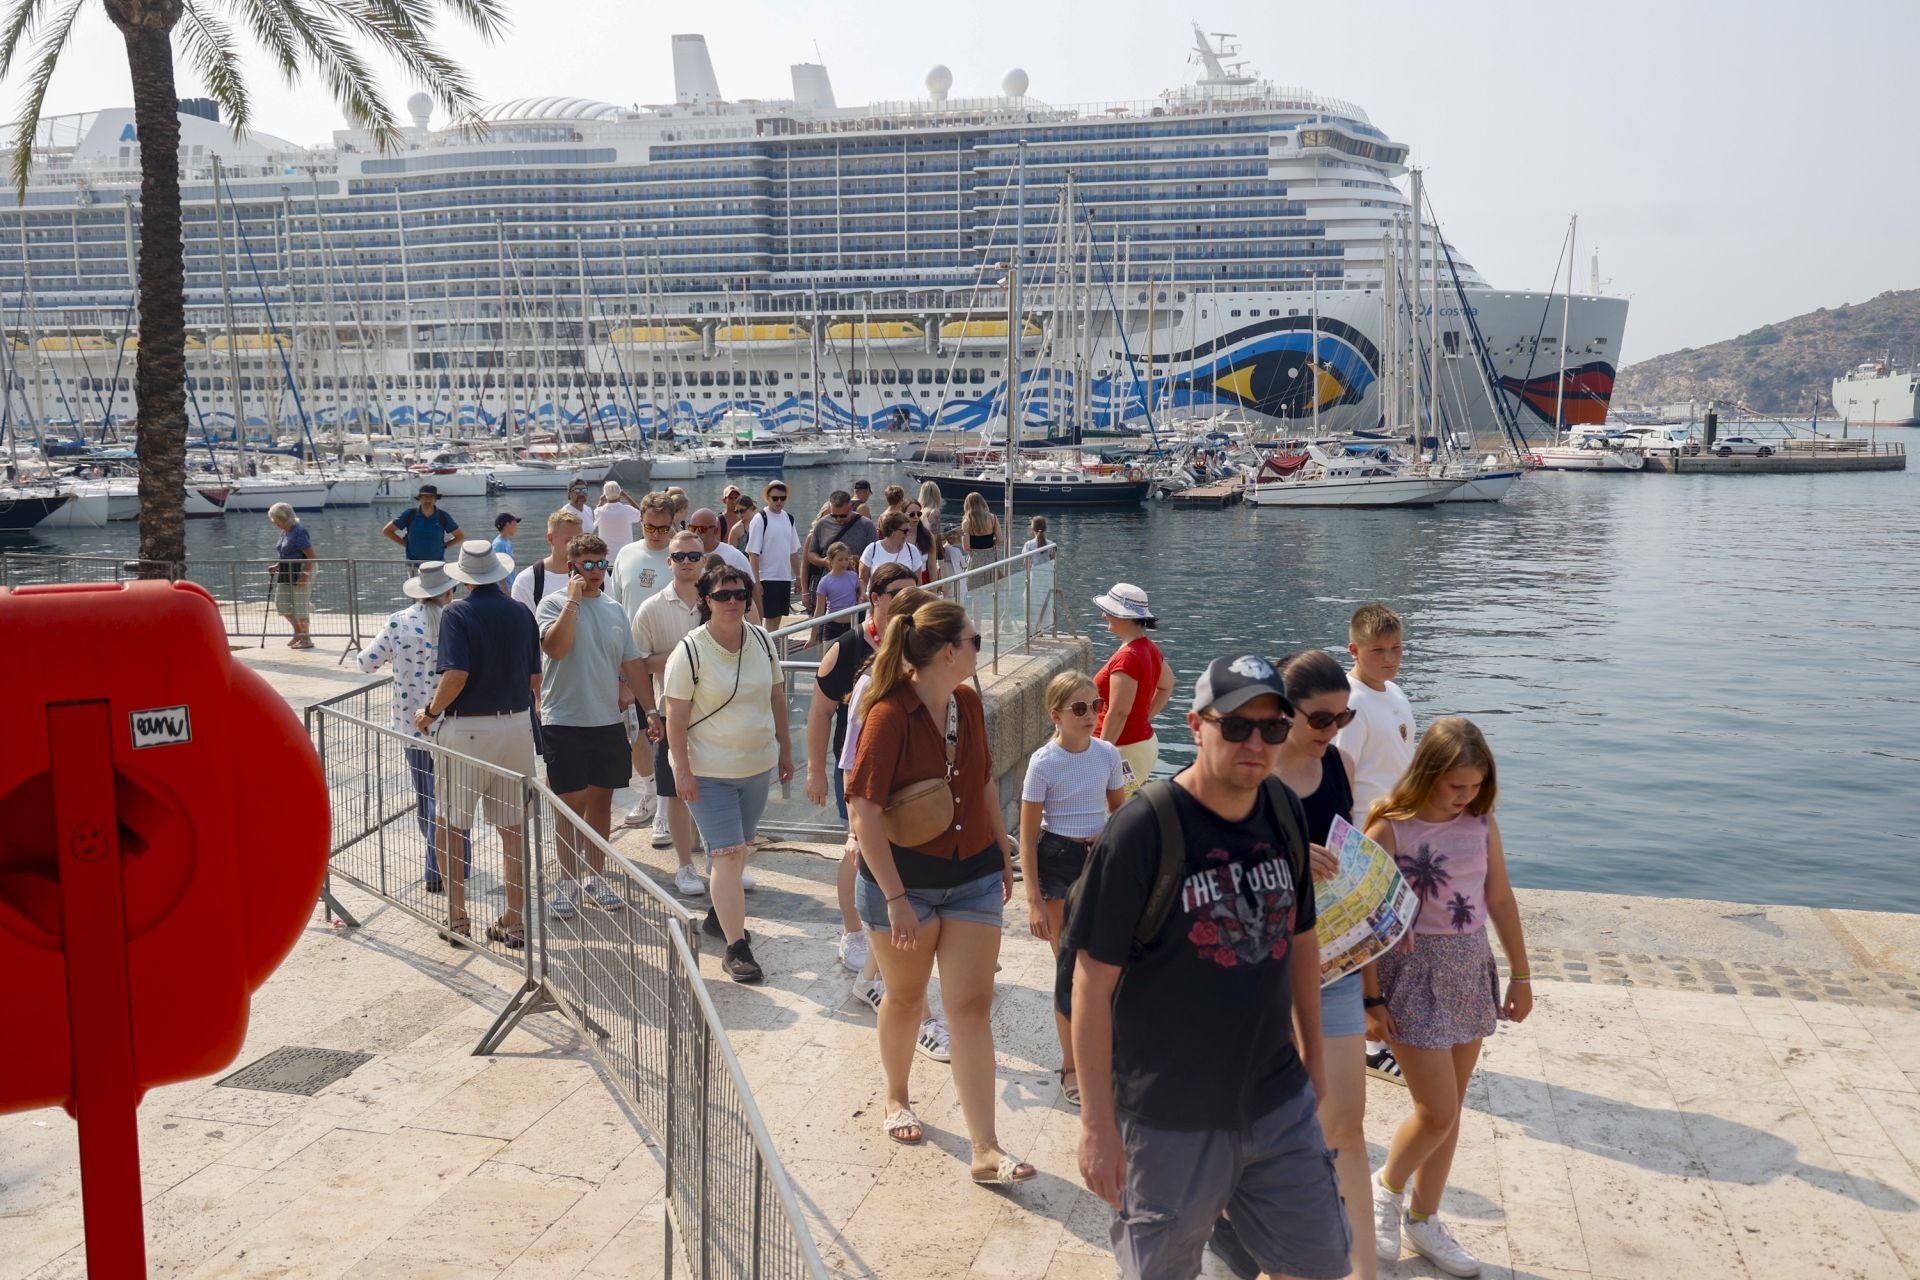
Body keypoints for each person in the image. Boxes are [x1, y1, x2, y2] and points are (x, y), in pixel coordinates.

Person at [1068, 654, 1348, 1280]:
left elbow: (1301, 935)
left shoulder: (1280, 807)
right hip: (1169, 1115)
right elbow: (1091, 982)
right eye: (1236, 726)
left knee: (1322, 1263)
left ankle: (1231, 1237)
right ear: (1196, 725)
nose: (1256, 742)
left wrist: (1315, 1058)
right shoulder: (1143, 830)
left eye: (1272, 728)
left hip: (1275, 1099)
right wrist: (1097, 1125)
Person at [846, 598, 1032, 1184]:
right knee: (905, 1000)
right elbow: (864, 814)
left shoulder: (969, 704)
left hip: (972, 872)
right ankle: (896, 1096)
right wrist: (897, 900)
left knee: (970, 1009)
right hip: (906, 884)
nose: (981, 648)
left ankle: (987, 1149)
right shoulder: (888, 715)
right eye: (976, 640)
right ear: (950, 651)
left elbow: (981, 783)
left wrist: (1003, 851)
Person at [1367, 718, 1531, 1279]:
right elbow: (1362, 916)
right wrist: (1369, 997)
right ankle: (1385, 1188)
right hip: (1411, 975)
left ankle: (1424, 1217)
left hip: (1468, 967)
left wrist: (1522, 975)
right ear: (1429, 773)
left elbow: (1501, 898)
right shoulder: (1392, 829)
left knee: (1451, 1110)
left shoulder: (1481, 823)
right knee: (1436, 1110)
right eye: (1456, 786)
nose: (1466, 797)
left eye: (1475, 786)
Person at [1260, 648, 1376, 1280]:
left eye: (1343, 717)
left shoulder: (1338, 764)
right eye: (1320, 719)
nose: (1332, 731)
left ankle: (1363, 1269)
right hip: (1259, 968)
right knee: (1264, 1129)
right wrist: (1290, 856)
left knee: (1345, 1126)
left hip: (1333, 961)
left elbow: (1349, 851)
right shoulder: (1251, 772)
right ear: (1286, 710)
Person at [663, 562, 793, 983]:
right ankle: (737, 947)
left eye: (740, 594)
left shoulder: (762, 640)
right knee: (728, 853)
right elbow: (675, 717)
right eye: (723, 595)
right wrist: (681, 770)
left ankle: (720, 918)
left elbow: (776, 697)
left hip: (756, 765)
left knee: (740, 850)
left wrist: (786, 750)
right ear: (707, 600)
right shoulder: (690, 651)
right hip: (708, 770)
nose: (733, 602)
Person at [415, 540, 538, 949]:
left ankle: (458, 916)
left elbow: (456, 676)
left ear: (464, 578)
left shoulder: (457, 612)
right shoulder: (522, 612)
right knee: (513, 829)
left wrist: (430, 713)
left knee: (450, 823)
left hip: (468, 729)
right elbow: (535, 680)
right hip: (517, 724)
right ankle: (515, 920)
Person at [1019, 671, 1126, 1111]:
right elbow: (1026, 837)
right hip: (1058, 860)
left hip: (1098, 858)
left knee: (1108, 964)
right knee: (1069, 968)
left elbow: (1121, 813)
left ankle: (1108, 1056)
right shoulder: (1043, 763)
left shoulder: (1107, 754)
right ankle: (1071, 1065)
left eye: (1096, 705)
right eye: (1079, 708)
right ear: (1056, 715)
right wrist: (1033, 901)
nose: (1091, 715)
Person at [805, 562, 918, 959]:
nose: (907, 604)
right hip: (857, 767)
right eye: (897, 596)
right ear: (874, 598)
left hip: (909, 771)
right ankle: (854, 933)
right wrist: (815, 771)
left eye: (914, 594)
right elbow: (819, 712)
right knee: (857, 847)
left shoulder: (920, 644)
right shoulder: (848, 648)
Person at [534, 533, 642, 919]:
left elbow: (632, 664)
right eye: (589, 565)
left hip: (607, 722)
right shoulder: (551, 605)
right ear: (572, 567)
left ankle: (594, 876)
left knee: (601, 803)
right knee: (569, 807)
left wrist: (653, 711)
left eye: (602, 564)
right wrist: (574, 601)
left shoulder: (615, 609)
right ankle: (566, 881)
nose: (597, 572)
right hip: (564, 721)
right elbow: (556, 649)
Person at [1333, 602, 1418, 1086]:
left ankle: (1383, 1033)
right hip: (1368, 837)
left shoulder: (1395, 693)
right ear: (1355, 650)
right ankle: (1371, 1044)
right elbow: (1343, 780)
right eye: (1379, 650)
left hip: (1399, 834)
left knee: (1389, 936)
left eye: (1396, 648)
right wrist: (1352, 851)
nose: (1389, 658)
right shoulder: (1352, 703)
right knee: (1368, 940)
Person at [356, 561, 471, 896]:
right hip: (454, 724)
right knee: (456, 799)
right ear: (448, 590)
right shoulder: (459, 621)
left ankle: (436, 869)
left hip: (412, 727)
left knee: (427, 799)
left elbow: (365, 662)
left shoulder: (399, 622)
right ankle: (458, 866)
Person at [632, 531, 711, 892]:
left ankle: (721, 857)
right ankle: (685, 866)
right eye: (679, 557)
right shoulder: (650, 608)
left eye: (693, 556)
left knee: (719, 784)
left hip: (717, 710)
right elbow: (640, 663)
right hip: (671, 710)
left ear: (703, 560)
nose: (686, 563)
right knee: (677, 788)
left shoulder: (718, 601)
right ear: (669, 562)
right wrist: (650, 710)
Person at [609, 492, 679, 831]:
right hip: (629, 660)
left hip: (669, 662)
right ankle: (650, 792)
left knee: (665, 736)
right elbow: (614, 607)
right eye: (650, 526)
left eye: (664, 528)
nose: (656, 534)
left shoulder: (680, 555)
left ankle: (666, 812)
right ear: (641, 522)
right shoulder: (625, 554)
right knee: (632, 734)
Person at [1092, 583, 1175, 796]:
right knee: (1125, 805)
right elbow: (1167, 685)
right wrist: (1144, 717)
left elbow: (1119, 711)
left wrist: (1100, 757)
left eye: (1109, 611)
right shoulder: (1149, 648)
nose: (1103, 615)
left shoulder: (1127, 657)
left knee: (1110, 814)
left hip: (1124, 750)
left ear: (1124, 616)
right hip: (1140, 745)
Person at [804, 489, 877, 611]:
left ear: (850, 507)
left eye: (842, 515)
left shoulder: (867, 525)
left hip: (856, 586)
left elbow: (875, 554)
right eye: (834, 515)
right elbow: (811, 554)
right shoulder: (822, 524)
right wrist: (824, 561)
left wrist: (856, 560)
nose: (838, 519)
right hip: (828, 585)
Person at [745, 479, 802, 632]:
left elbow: (793, 551)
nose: (779, 501)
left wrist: (798, 577)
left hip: (783, 577)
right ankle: (770, 652)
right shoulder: (760, 518)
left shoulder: (789, 519)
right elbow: (753, 553)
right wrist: (756, 582)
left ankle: (772, 651)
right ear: (767, 498)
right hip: (766, 577)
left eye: (782, 498)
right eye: (775, 498)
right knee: (769, 619)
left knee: (778, 618)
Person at [687, 506, 759, 619]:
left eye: (702, 529)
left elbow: (752, 592)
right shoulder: (683, 557)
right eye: (692, 528)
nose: (696, 533)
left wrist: (757, 624)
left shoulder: (735, 556)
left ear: (715, 530)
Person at [509, 509, 585, 613]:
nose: (576, 546)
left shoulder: (596, 574)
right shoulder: (526, 581)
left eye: (579, 539)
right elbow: (523, 627)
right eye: (569, 540)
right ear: (550, 538)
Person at [268, 502, 315, 649]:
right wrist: (277, 565)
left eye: (276, 519)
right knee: (281, 603)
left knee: (300, 606)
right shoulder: (285, 531)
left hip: (302, 569)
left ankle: (306, 639)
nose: (274, 522)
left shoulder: (299, 531)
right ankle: (298, 633)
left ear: (284, 518)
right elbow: (285, 553)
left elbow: (312, 556)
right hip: (286, 570)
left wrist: (305, 575)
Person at [384, 484, 462, 567]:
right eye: (425, 496)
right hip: (414, 565)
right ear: (419, 498)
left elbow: (459, 536)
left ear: (435, 499)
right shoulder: (409, 514)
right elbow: (387, 531)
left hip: (437, 565)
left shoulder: (443, 516)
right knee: (413, 581)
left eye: (431, 496)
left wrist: (444, 546)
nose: (428, 499)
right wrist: (405, 544)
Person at [808, 542, 860, 649]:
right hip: (832, 625)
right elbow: (819, 611)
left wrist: (863, 593)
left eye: (846, 559)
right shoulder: (825, 582)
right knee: (829, 659)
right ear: (830, 560)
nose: (844, 563)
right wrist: (812, 637)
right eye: (840, 560)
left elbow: (861, 590)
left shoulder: (853, 576)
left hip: (851, 625)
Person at [859, 511, 926, 591]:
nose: (908, 533)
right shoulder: (871, 550)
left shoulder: (912, 550)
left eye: (908, 530)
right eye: (905, 531)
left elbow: (918, 583)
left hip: (905, 600)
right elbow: (862, 581)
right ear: (892, 531)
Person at [1023, 516, 1056, 633]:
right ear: (1045, 528)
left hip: (1035, 578)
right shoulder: (1052, 544)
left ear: (1032, 529)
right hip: (1047, 578)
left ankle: (1032, 629)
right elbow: (1054, 563)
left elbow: (1026, 564)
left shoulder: (1028, 545)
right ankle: (1044, 628)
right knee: (1046, 604)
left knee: (1029, 602)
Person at [594, 481, 644, 558]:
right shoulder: (628, 510)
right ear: (620, 493)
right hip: (625, 556)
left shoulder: (599, 511)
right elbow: (642, 515)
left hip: (606, 557)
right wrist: (627, 497)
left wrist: (601, 502)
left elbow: (594, 515)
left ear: (605, 495)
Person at [959, 490, 999, 582]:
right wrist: (990, 544)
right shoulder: (993, 518)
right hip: (991, 556)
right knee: (991, 585)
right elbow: (1000, 539)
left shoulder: (966, 522)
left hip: (975, 558)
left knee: (974, 589)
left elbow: (965, 547)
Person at [492, 513, 521, 585]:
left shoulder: (507, 542)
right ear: (507, 525)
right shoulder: (498, 544)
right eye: (514, 524)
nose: (516, 527)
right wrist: (505, 589)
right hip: (505, 590)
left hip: (511, 584)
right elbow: (498, 568)